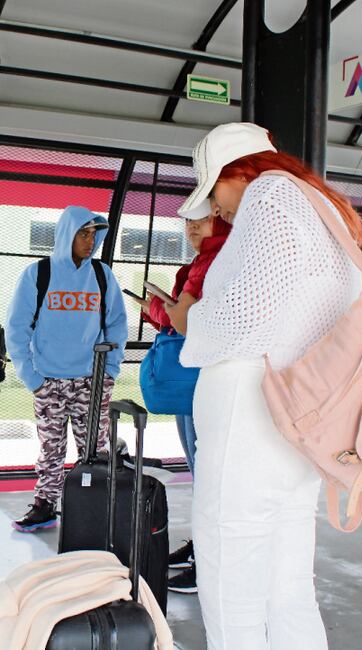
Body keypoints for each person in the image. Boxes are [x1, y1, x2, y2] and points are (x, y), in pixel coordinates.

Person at [167, 122, 362, 649]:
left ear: (234, 173)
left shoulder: (269, 196)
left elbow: (244, 314)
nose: (215, 210)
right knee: (288, 582)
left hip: (250, 410)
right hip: (299, 413)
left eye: (212, 193)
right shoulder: (320, 206)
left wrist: (191, 320)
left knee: (229, 563)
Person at [6, 207, 128, 532]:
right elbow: (16, 328)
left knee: (94, 450)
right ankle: (45, 506)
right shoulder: (38, 274)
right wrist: (33, 379)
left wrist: (109, 373)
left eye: (93, 234)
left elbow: (117, 325)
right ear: (66, 235)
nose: (90, 241)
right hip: (49, 381)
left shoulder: (102, 275)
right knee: (51, 449)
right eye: (83, 234)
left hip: (92, 380)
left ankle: (97, 507)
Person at [131, 205, 231, 594]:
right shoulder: (198, 264)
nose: (191, 227)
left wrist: (159, 310)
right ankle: (202, 548)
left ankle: (209, 561)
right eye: (187, 221)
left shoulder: (219, 260)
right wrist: (159, 311)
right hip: (194, 376)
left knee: (210, 472)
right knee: (200, 468)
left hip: (207, 378)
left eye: (201, 219)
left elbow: (189, 320)